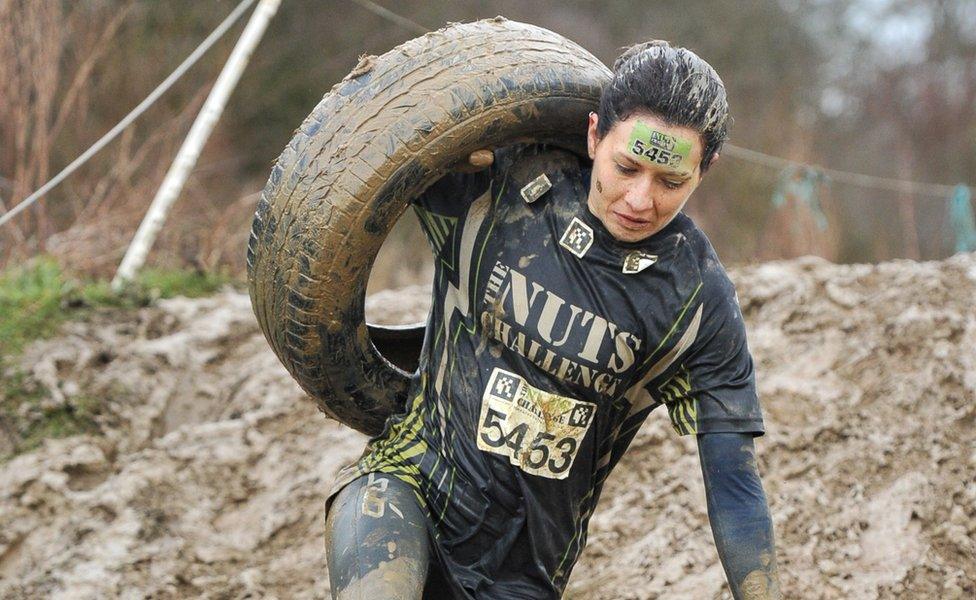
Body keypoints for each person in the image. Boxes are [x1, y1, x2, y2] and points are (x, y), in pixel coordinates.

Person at [324, 40, 782, 600]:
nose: (640, 199)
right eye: (626, 167)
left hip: (522, 576)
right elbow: (365, 144)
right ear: (594, 135)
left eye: (670, 182)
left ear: (703, 171)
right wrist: (446, 151)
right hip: (405, 487)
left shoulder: (698, 304)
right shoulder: (503, 186)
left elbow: (734, 484)